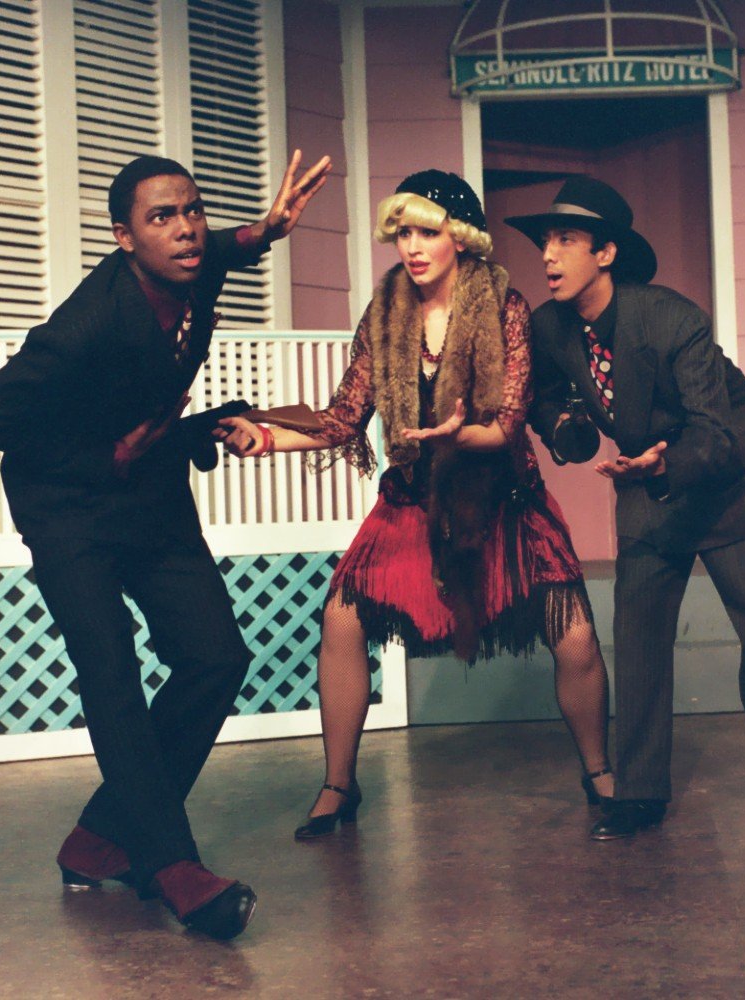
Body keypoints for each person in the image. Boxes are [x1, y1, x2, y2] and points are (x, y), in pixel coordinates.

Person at [0, 150, 331, 938]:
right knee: (113, 670)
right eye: (161, 218)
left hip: (151, 492)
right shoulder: (86, 323)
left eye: (191, 210)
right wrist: (104, 456)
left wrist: (261, 231)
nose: (186, 230)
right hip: (68, 505)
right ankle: (171, 865)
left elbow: (219, 250)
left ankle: (100, 837)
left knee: (217, 657)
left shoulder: (196, 268)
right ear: (124, 237)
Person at [219, 170, 615, 840]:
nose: (412, 245)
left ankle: (600, 775)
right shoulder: (385, 316)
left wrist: (462, 431)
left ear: (459, 238)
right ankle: (338, 786)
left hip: (502, 504)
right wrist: (264, 437)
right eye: (403, 231)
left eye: (427, 230)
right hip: (412, 503)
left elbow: (513, 419)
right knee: (342, 620)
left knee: (574, 636)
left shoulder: (504, 308)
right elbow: (345, 417)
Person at [505, 176, 745, 841]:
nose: (548, 256)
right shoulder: (549, 326)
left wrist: (663, 466)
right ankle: (641, 793)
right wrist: (569, 425)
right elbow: (545, 395)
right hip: (645, 482)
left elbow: (714, 434)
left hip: (728, 480)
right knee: (640, 631)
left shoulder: (672, 319)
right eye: (545, 241)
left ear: (605, 253)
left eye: (565, 240)